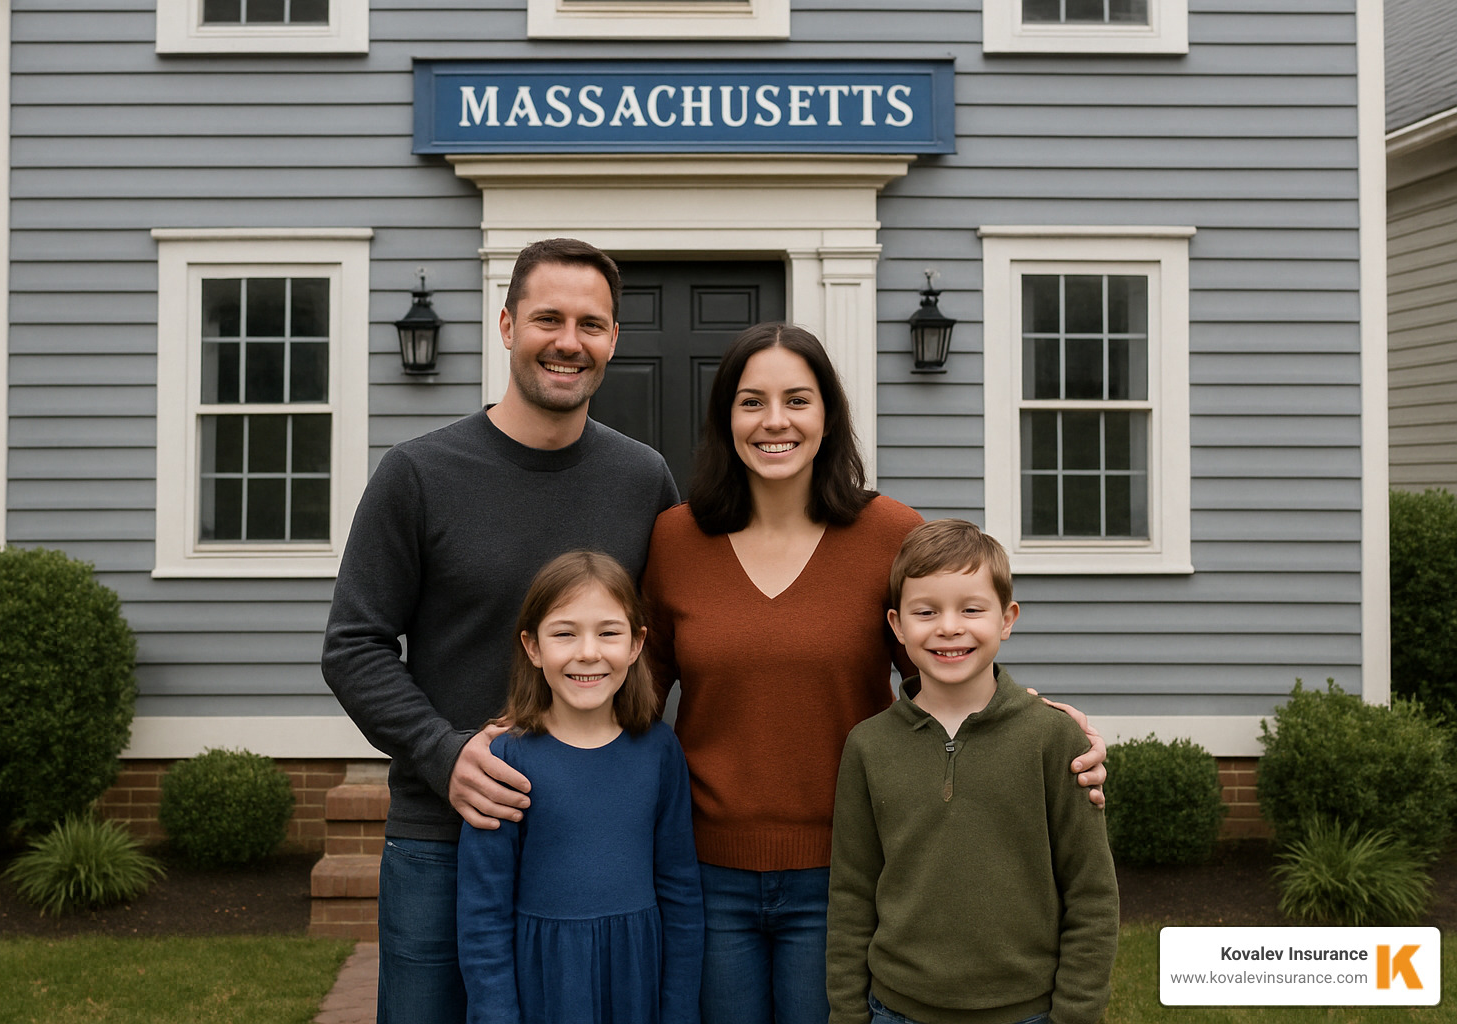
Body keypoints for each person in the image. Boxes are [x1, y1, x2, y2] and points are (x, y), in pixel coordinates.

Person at [640, 323, 1107, 1024]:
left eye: (798, 400)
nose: (775, 421)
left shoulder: (888, 533)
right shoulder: (676, 538)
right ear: (724, 418)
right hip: (706, 874)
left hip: (847, 873)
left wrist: (1044, 723)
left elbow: (944, 661)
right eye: (751, 401)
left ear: (828, 415)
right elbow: (636, 692)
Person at [321, 238, 679, 1023]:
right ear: (508, 324)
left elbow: (672, 636)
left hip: (593, 844)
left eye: (591, 323)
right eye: (548, 317)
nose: (568, 340)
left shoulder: (643, 479)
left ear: (613, 339)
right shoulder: (417, 475)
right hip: (446, 834)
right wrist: (442, 753)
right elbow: (353, 645)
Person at [826, 519, 1119, 1024]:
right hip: (897, 1009)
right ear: (897, 626)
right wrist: (849, 1013)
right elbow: (852, 893)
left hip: (1025, 1011)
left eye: (971, 609)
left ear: (1007, 619)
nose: (949, 627)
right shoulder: (868, 746)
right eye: (926, 611)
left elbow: (1091, 894)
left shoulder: (1053, 741)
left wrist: (1075, 1014)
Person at [456, 551, 703, 1024]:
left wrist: (679, 1009)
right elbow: (482, 912)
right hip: (545, 982)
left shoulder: (659, 751)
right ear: (532, 647)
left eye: (608, 632)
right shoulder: (505, 760)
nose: (588, 652)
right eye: (564, 633)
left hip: (637, 981)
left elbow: (681, 892)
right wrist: (495, 1014)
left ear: (636, 645)